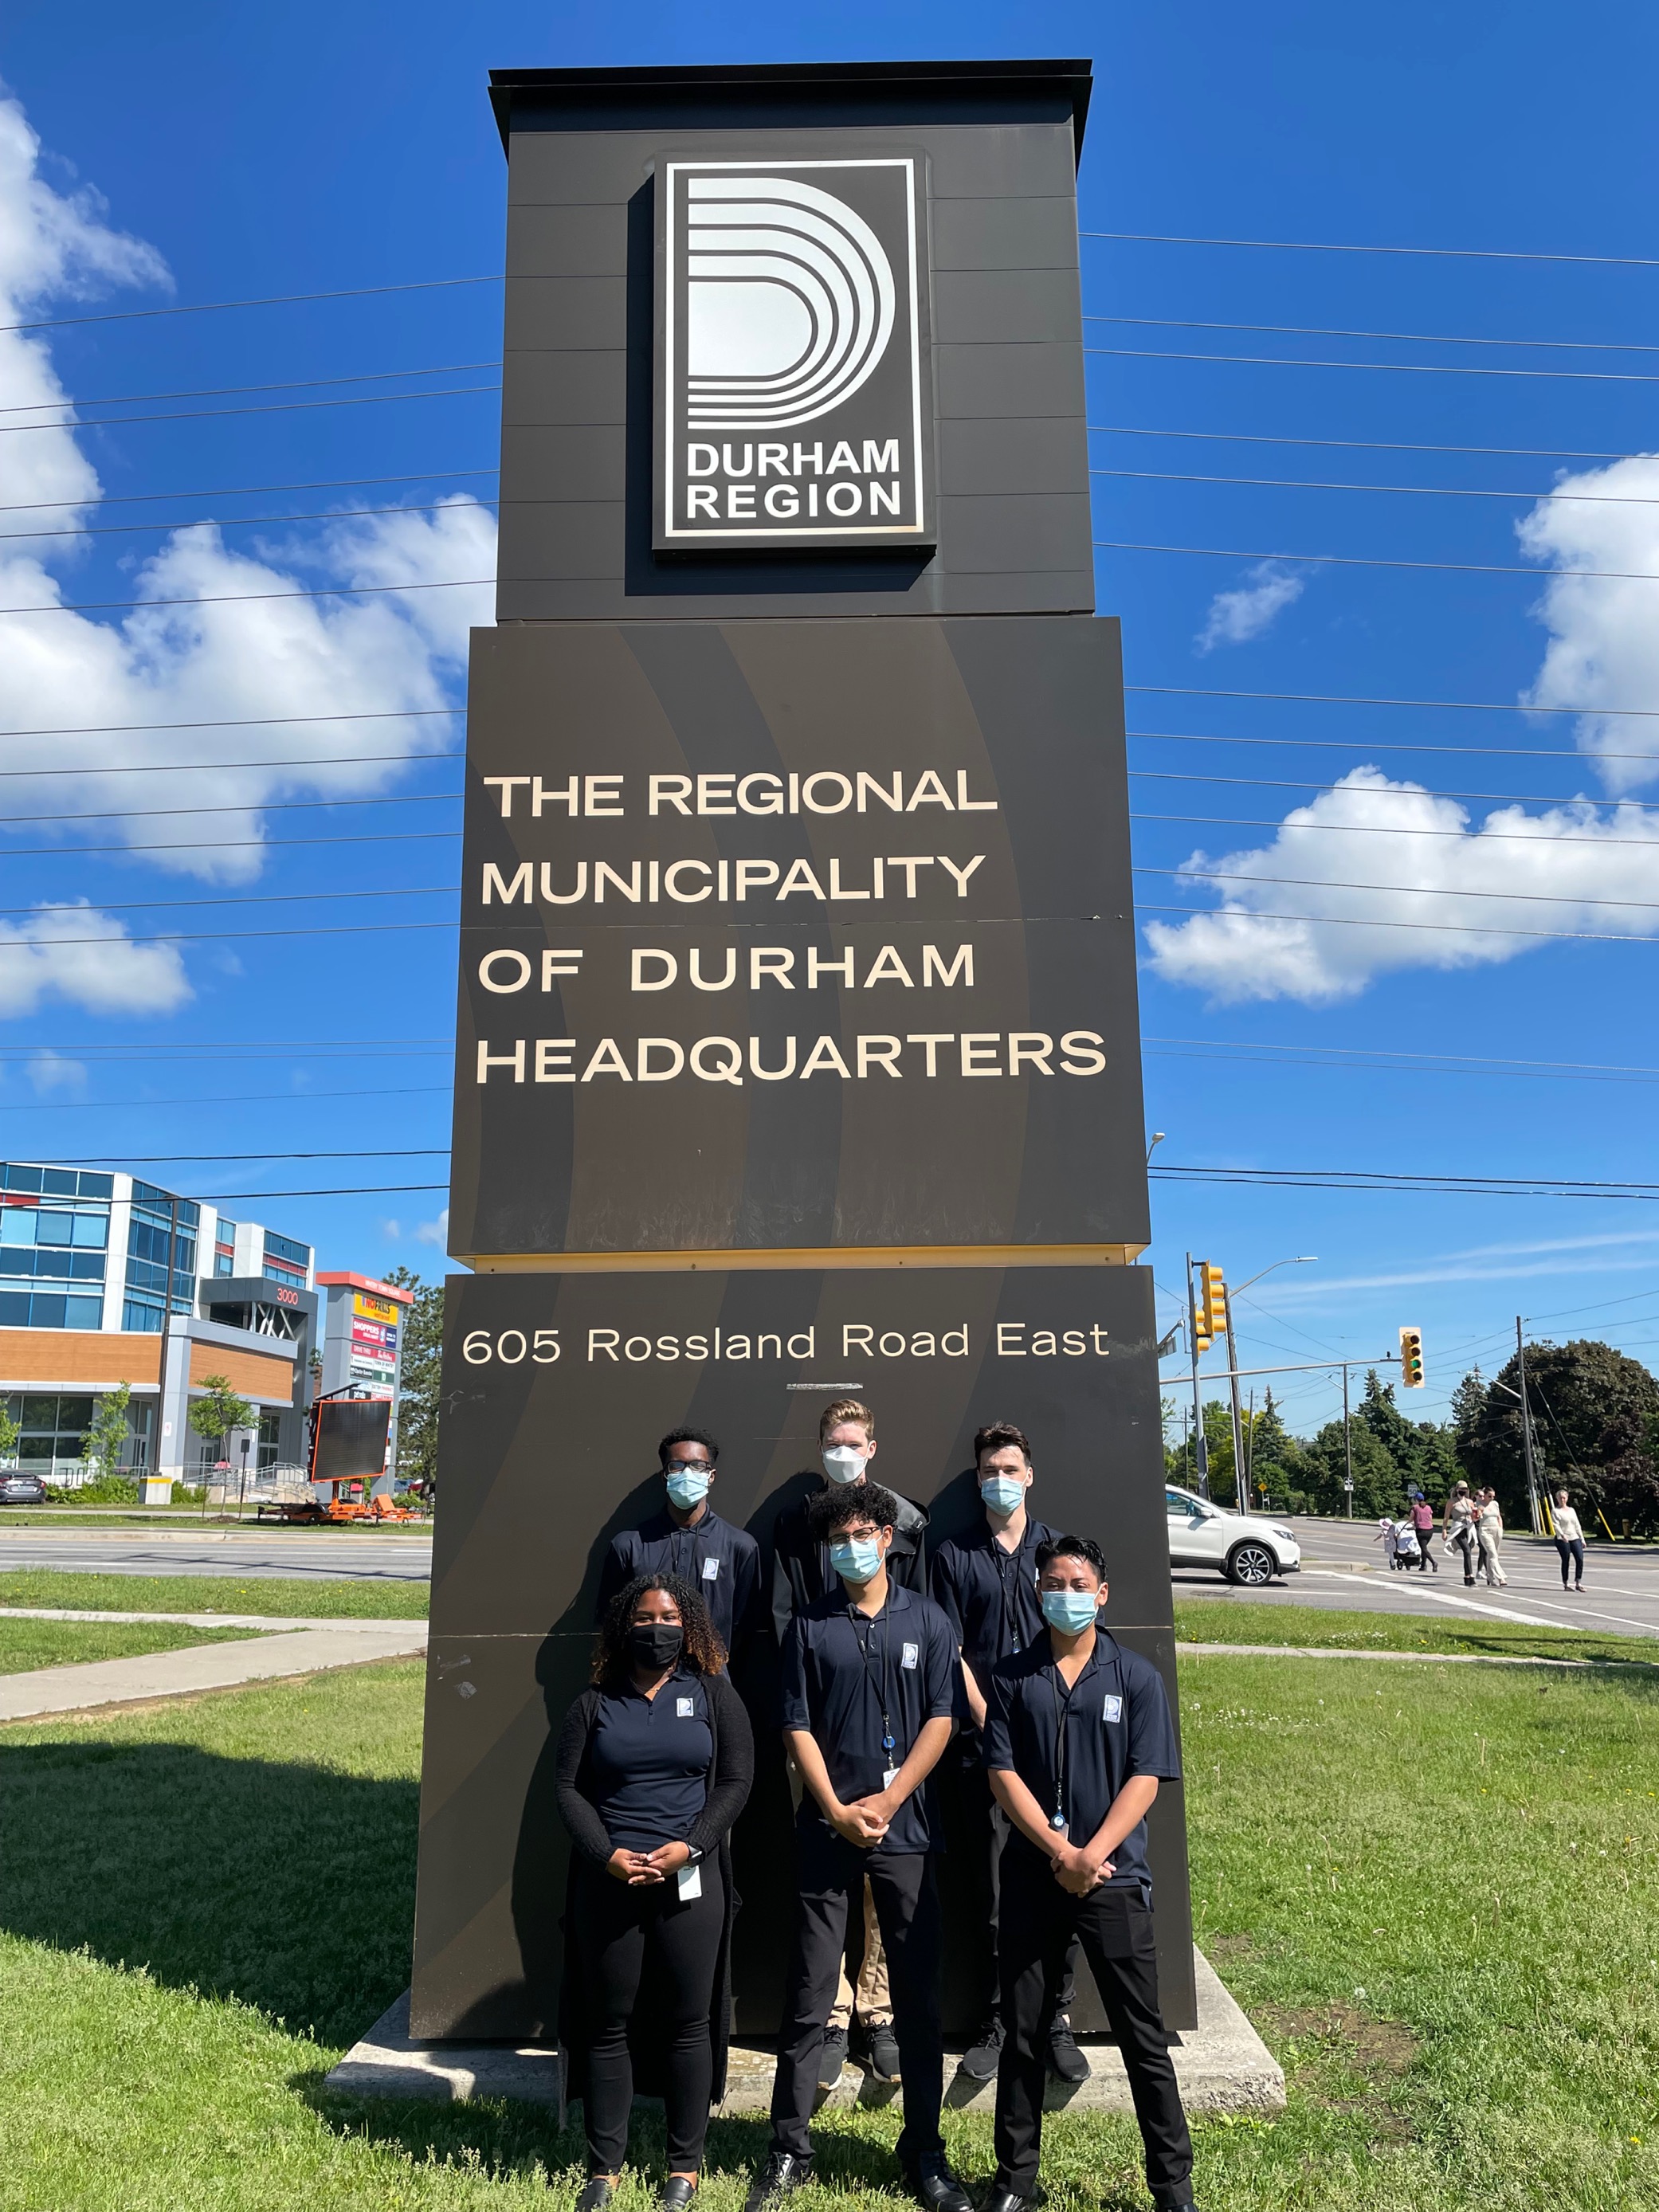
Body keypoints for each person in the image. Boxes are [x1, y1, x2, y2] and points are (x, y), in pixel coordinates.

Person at [747, 1481, 970, 2212]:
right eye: (837, 1540)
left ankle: (925, 2152)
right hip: (828, 1828)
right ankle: (788, 2148)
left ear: (887, 1536)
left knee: (916, 1994)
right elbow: (796, 1725)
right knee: (811, 1993)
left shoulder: (929, 1621)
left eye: (861, 1535)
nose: (850, 1549)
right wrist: (836, 1807)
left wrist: (891, 1797)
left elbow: (942, 1719)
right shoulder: (811, 1627)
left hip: (905, 1830)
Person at [982, 1535, 1198, 2212]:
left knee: (1143, 2035)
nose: (1065, 1594)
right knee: (1022, 2034)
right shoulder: (1012, 1676)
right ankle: (1016, 2181)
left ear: (1102, 1595)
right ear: (1036, 1591)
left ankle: (1172, 2187)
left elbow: (1147, 1776)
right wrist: (1058, 1851)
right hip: (1033, 1877)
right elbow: (1002, 1773)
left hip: (1116, 1880)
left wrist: (1091, 1854)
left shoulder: (1135, 1677)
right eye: (1053, 1582)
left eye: (1079, 1584)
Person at [555, 1574, 755, 2212]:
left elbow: (736, 1781)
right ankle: (604, 2168)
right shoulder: (594, 1702)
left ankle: (684, 2167)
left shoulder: (713, 1694)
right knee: (608, 2024)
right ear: (623, 1626)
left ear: (688, 1625)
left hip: (690, 1881)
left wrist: (691, 1846)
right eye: (643, 1618)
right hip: (610, 1882)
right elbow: (568, 1790)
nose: (656, 1628)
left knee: (689, 2024)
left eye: (668, 1617)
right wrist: (606, 1855)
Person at [770, 1398, 928, 2087]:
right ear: (821, 1446)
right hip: (813, 1716)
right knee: (825, 1865)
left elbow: (914, 1620)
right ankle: (832, 2015)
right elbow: (779, 1616)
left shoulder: (908, 1521)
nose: (843, 1450)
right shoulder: (793, 1522)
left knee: (881, 1862)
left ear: (872, 1447)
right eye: (833, 1441)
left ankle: (878, 2010)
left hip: (889, 1728)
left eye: (854, 1441)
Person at [929, 1421, 1087, 2087]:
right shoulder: (953, 1555)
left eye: (1011, 1467)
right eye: (990, 1468)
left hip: (1055, 1745)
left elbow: (1077, 1635)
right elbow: (950, 1647)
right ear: (978, 1478)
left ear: (1030, 1475)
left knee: (1066, 1873)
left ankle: (1056, 2019)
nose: (1001, 1477)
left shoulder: (1056, 1551)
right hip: (984, 1748)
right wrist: (989, 1713)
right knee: (995, 1894)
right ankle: (1000, 2019)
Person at [598, 1428, 764, 1665]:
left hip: (711, 1680)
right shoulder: (629, 1545)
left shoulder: (740, 1546)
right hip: (644, 1678)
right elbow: (612, 1622)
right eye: (677, 1466)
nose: (688, 1473)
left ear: (711, 1475)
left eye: (698, 1466)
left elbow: (744, 1625)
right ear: (664, 1475)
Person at [1445, 1482, 1479, 1586]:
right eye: (1462, 1489)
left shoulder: (1470, 1502)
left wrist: (1477, 1515)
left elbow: (1474, 1516)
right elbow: (1446, 1517)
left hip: (1468, 1527)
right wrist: (1444, 1530)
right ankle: (1470, 1576)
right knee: (1467, 1550)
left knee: (1468, 1550)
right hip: (1458, 1528)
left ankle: (1467, 1577)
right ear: (1457, 1489)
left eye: (1466, 1489)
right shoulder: (1452, 1502)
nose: (1464, 1491)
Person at [1551, 1488, 1586, 1590]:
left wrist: (1582, 1538)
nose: (1562, 1500)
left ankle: (1578, 1582)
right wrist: (1562, 1535)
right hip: (1562, 1539)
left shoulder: (1571, 1510)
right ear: (1557, 1499)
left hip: (1574, 1537)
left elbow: (1577, 1525)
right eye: (1560, 1498)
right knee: (1566, 1559)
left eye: (1564, 1498)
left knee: (1580, 1558)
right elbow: (1556, 1525)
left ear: (1567, 1498)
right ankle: (1566, 1583)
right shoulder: (1555, 1511)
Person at [1476, 1487, 1508, 1589]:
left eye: (1493, 1496)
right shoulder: (1479, 1504)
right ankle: (1501, 1578)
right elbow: (1475, 1517)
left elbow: (1499, 1517)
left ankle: (1490, 1577)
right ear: (1484, 1495)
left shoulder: (1495, 1504)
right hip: (1485, 1530)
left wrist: (1500, 1529)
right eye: (1489, 1496)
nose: (1492, 1498)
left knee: (1493, 1555)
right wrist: (1478, 1513)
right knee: (1492, 1553)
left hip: (1496, 1530)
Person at [1409, 1491, 1438, 1573]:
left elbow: (1411, 1518)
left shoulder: (1415, 1508)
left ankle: (1434, 1562)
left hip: (1421, 1530)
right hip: (1430, 1530)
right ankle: (1423, 1565)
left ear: (1416, 1500)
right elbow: (1430, 1518)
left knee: (1424, 1548)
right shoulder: (1428, 1507)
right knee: (1424, 1548)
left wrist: (1409, 1523)